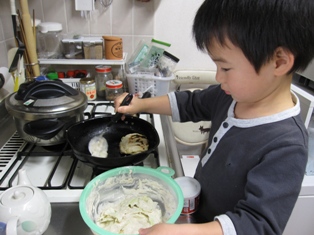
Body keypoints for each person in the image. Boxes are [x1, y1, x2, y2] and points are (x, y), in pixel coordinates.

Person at [114, 0, 314, 234]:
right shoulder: (232, 96)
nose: (219, 77)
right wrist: (141, 104)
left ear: (279, 62)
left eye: (226, 68)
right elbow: (190, 103)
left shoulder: (286, 146)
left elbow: (259, 225)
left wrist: (184, 233)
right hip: (201, 216)